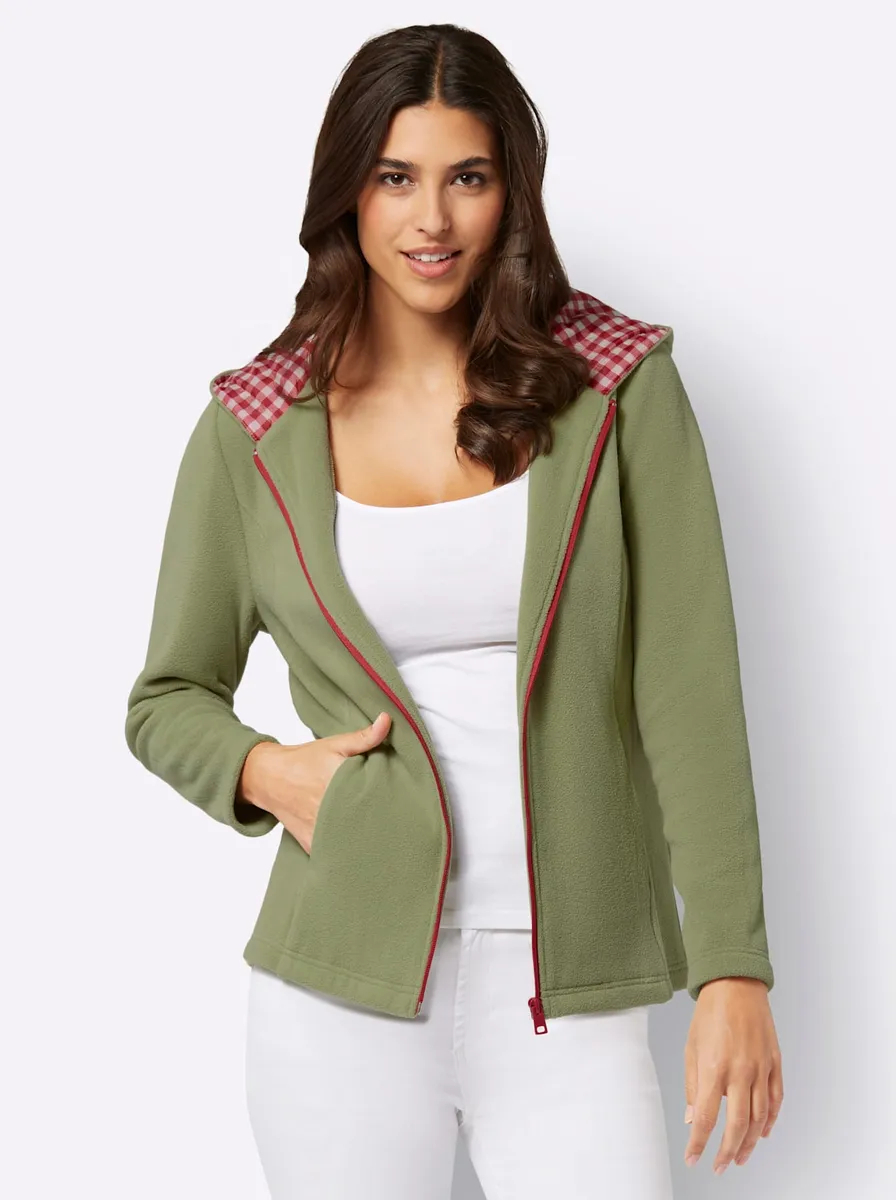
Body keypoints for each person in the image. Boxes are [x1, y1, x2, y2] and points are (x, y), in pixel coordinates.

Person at [124, 21, 783, 1200]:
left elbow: (688, 690)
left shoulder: (617, 388)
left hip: (568, 990)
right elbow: (167, 696)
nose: (431, 219)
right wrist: (268, 773)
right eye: (395, 177)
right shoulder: (255, 428)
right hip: (337, 994)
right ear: (348, 190)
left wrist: (731, 966)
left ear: (510, 190)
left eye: (466, 177)